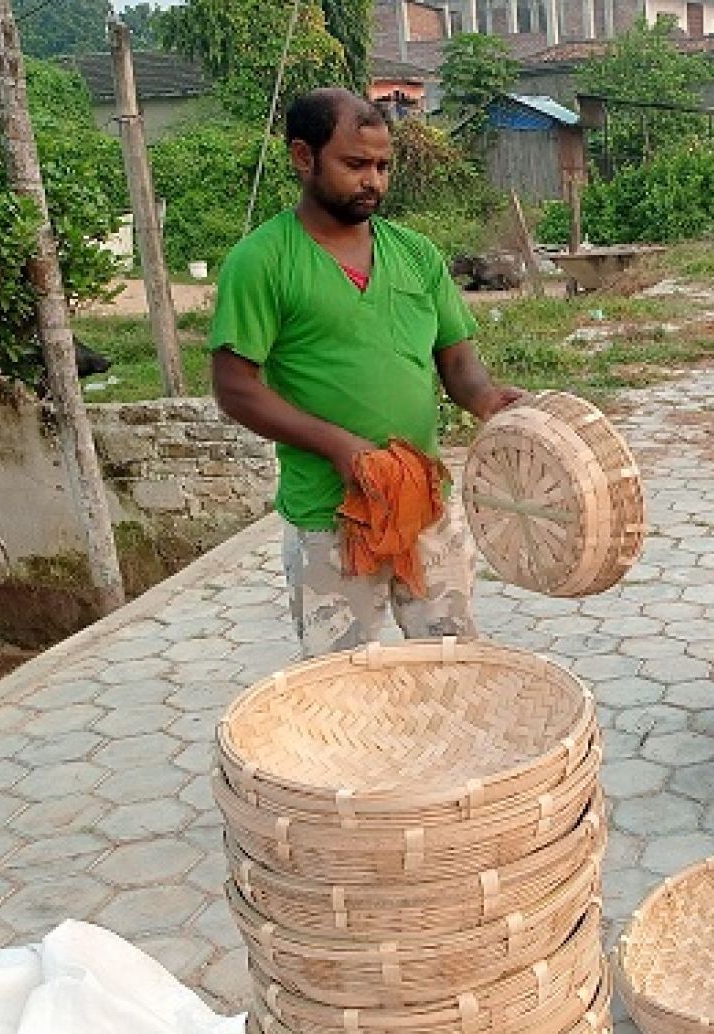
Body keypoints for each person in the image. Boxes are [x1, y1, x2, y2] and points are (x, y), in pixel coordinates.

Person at [209, 89, 522, 655]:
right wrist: (339, 447)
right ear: (303, 157)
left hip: (424, 501)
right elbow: (234, 388)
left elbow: (456, 363)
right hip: (330, 516)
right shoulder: (261, 262)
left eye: (382, 166)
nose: (373, 181)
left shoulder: (416, 255)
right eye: (355, 165)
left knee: (455, 665)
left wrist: (488, 400)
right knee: (344, 684)